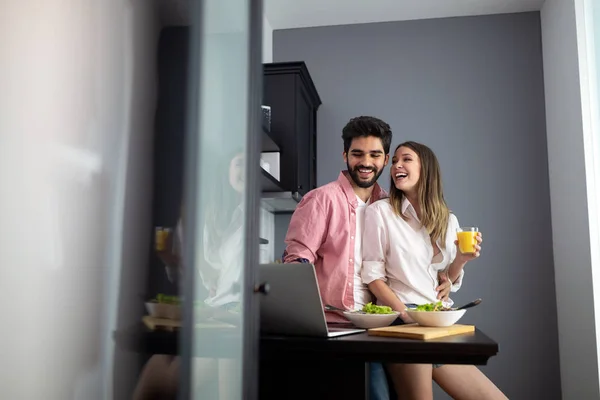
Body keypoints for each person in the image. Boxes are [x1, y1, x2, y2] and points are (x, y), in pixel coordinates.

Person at [283, 116, 450, 399]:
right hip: (336, 328)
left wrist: (444, 275)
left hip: (384, 327)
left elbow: (409, 259)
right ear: (345, 155)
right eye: (357, 154)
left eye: (374, 155)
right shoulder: (321, 199)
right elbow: (297, 262)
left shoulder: (390, 205)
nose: (366, 162)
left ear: (385, 159)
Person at [361, 141, 507, 400]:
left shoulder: (448, 219)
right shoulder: (380, 213)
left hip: (438, 322)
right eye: (394, 161)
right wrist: (406, 315)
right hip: (403, 324)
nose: (397, 166)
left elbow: (444, 282)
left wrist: (461, 260)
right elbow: (373, 277)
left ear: (426, 168)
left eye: (406, 159)